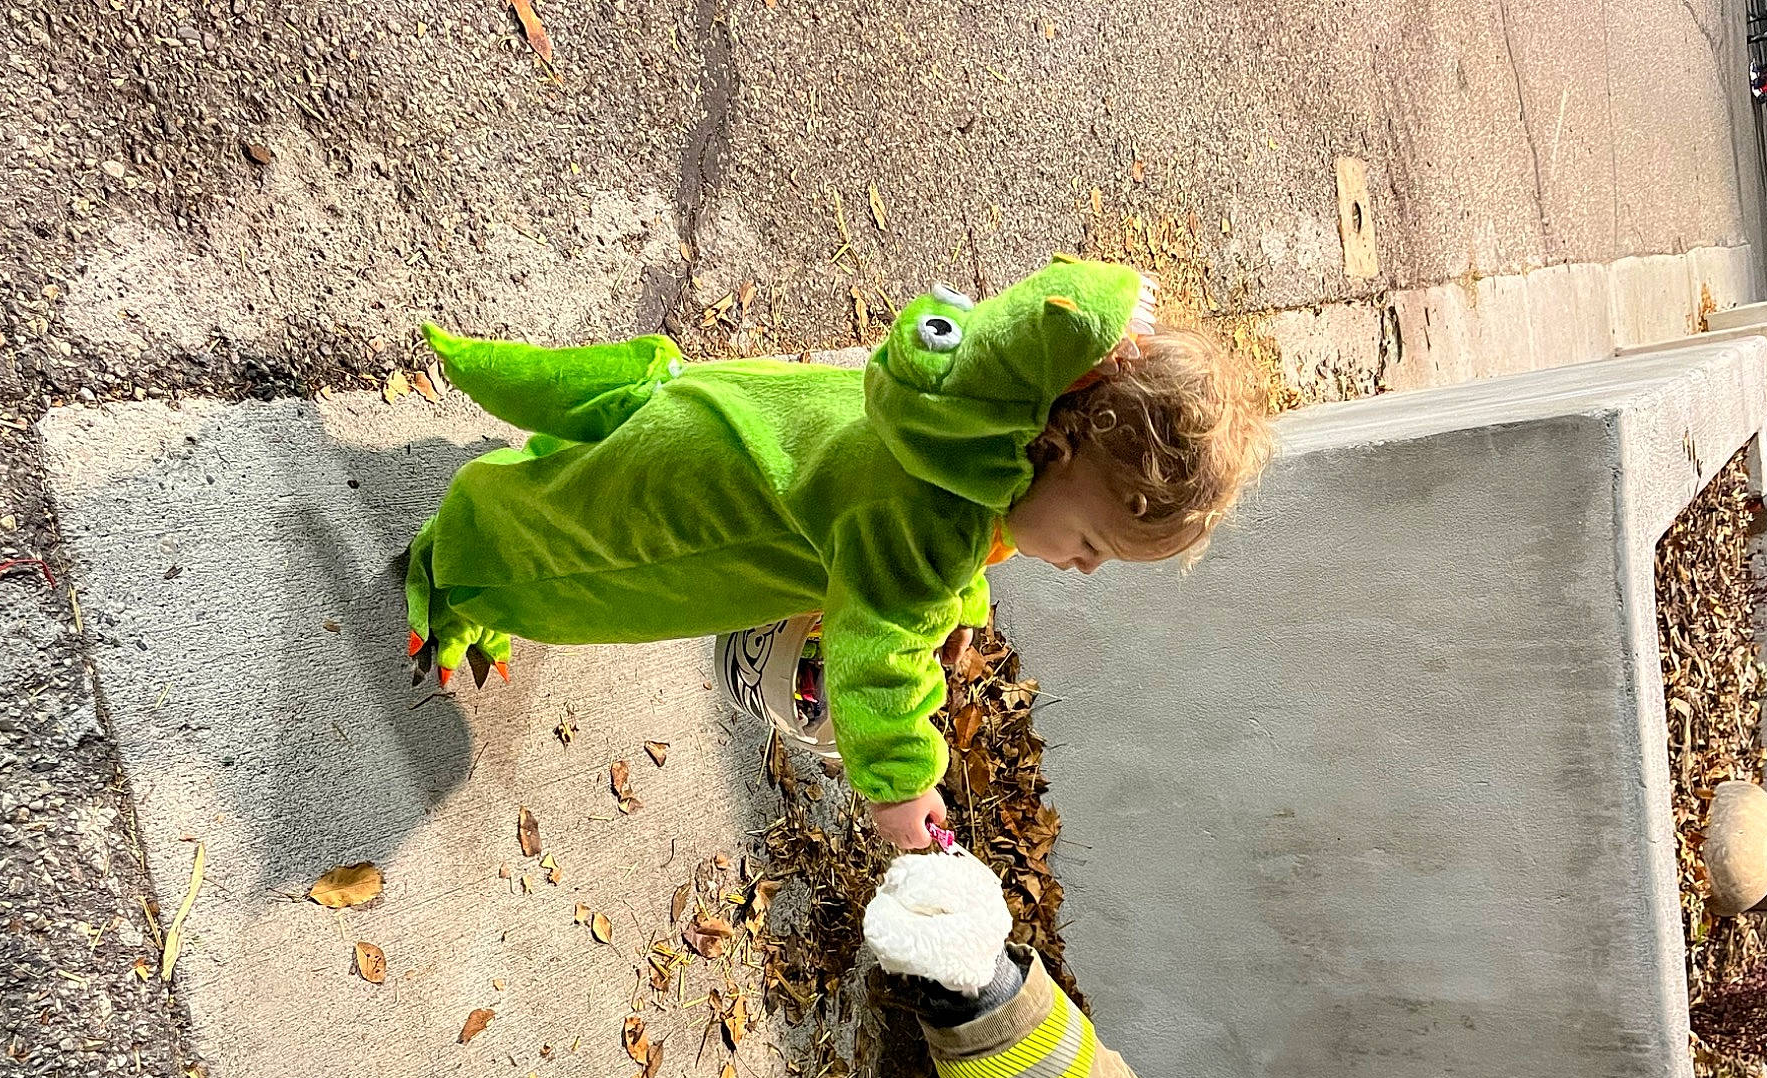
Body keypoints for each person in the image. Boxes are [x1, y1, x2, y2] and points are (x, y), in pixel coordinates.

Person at [404, 259, 1271, 849]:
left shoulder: (965, 418)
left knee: (592, 464)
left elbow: (947, 555)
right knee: (566, 562)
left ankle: (516, 490)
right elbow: (874, 656)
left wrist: (962, 605)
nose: (1082, 568)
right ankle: (456, 575)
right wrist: (900, 792)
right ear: (1058, 449)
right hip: (702, 508)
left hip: (729, 421)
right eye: (1090, 544)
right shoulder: (931, 525)